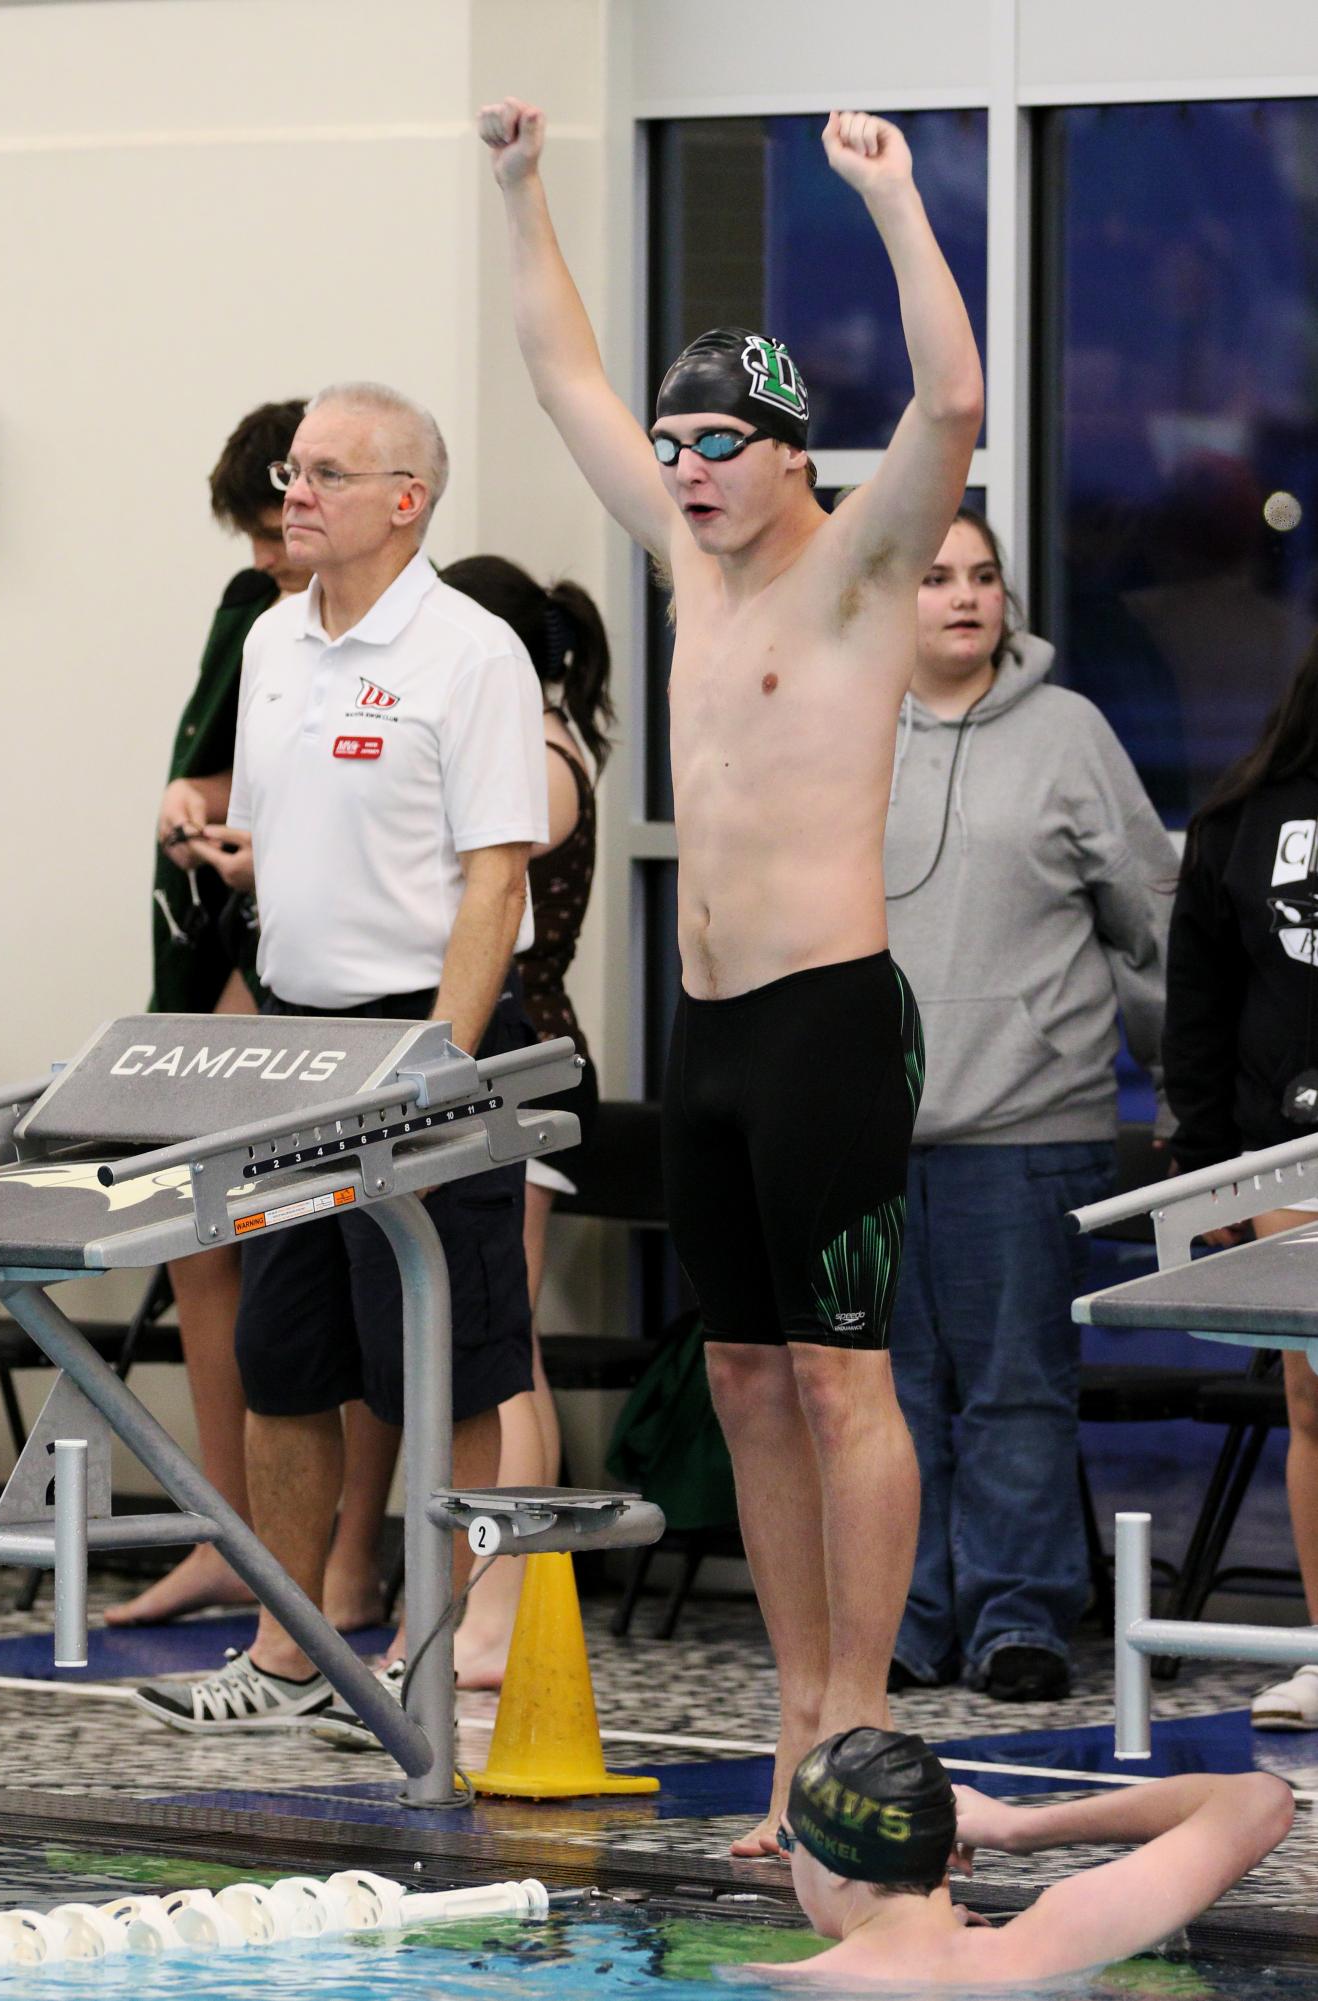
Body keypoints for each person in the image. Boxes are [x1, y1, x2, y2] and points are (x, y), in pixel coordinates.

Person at [481, 97, 983, 1853]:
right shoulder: (691, 576)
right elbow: (561, 378)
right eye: (676, 439)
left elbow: (957, 405)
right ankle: (795, 1724)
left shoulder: (857, 570)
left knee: (846, 1378)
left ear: (791, 454)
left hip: (834, 1022)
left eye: (718, 440)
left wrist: (899, 201)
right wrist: (521, 181)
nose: (683, 465)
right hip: (707, 1036)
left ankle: (865, 1717)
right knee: (752, 1377)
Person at [133, 381, 548, 1731]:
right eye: (295, 472)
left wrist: (442, 1059)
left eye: (322, 474)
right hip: (300, 1044)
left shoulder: (470, 652)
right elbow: (286, 854)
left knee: (442, 1362)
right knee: (284, 1357)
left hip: (424, 1034)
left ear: (403, 501)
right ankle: (288, 1647)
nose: (293, 493)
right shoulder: (267, 643)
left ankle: (439, 1641)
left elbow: (493, 881)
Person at [883, 509, 1177, 1701]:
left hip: (1032, 1127)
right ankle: (903, 1621)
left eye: (985, 575)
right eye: (937, 576)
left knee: (1015, 1392)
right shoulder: (850, 730)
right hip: (873, 1132)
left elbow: (1149, 917)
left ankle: (1019, 1622)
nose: (964, 596)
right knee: (890, 1400)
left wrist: (1177, 1084)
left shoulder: (1070, 735)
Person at [109, 401, 308, 1629]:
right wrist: (191, 797)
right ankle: (229, 1525)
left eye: (277, 533)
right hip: (214, 948)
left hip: (298, 964)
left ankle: (314, 1551)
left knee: (307, 1255)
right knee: (202, 1243)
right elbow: (221, 755)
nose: (266, 560)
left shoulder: (402, 629)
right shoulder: (256, 608)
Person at [437, 554, 613, 1689]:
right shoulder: (524, 747)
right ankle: (498, 1596)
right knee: (499, 1350)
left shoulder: (543, 761)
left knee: (509, 1356)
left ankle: (508, 1603)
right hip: (512, 1064)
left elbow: (469, 881)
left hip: (531, 1068)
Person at [1162, 630, 1318, 1730]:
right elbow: (1199, 1017)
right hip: (1289, 1151)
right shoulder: (1242, 820)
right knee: (1314, 1403)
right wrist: (1209, 1174)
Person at [766, 1727, 1292, 1985]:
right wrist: (1023, 1828)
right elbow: (1260, 1800)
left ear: (836, 1868)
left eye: (790, 1843)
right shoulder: (1043, 1949)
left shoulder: (774, 1983)